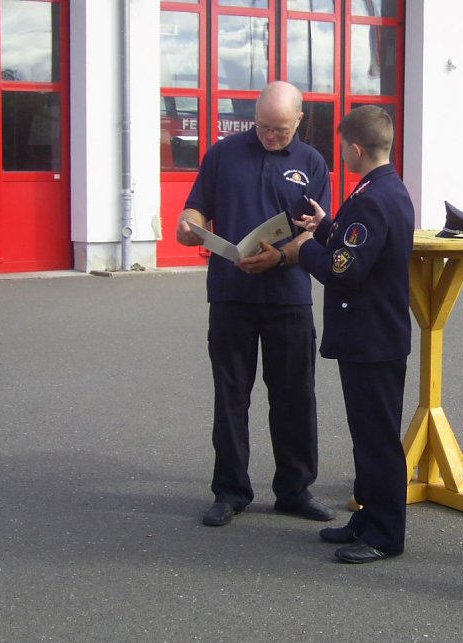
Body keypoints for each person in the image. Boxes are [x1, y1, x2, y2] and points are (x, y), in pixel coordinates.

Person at [176, 80, 335, 527]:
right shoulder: (223, 154)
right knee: (231, 396)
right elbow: (196, 209)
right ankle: (230, 490)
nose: (269, 137)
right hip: (231, 295)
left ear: (299, 120)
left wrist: (281, 255)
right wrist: (189, 225)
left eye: (280, 130)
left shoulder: (312, 162)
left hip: (288, 297)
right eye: (263, 126)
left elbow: (316, 231)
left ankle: (295, 489)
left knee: (295, 397)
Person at [272, 105, 415, 563]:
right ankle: (367, 517)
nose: (342, 156)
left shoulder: (373, 197)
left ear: (355, 148)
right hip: (374, 336)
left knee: (377, 440)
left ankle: (385, 533)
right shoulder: (385, 188)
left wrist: (305, 249)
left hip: (372, 339)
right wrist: (329, 227)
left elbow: (345, 269)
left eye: (342, 148)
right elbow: (362, 245)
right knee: (367, 435)